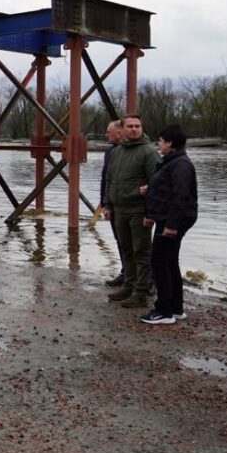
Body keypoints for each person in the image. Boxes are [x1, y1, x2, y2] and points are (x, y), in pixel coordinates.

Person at [138, 125, 198, 325]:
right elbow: (166, 189)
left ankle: (164, 311)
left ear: (170, 143)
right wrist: (150, 192)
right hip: (165, 218)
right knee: (170, 262)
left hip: (173, 221)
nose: (159, 144)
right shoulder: (169, 162)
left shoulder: (180, 164)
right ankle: (175, 307)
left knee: (159, 262)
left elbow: (181, 196)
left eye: (161, 141)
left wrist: (171, 225)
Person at [103, 114, 158, 309]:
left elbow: (156, 183)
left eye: (138, 126)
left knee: (141, 251)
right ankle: (129, 285)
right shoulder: (117, 152)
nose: (134, 129)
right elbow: (110, 180)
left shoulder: (149, 152)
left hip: (138, 209)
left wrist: (150, 213)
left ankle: (141, 292)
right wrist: (107, 205)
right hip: (119, 208)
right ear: (123, 130)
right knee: (126, 249)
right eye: (131, 126)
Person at [101, 120, 126, 287]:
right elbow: (106, 179)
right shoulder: (110, 152)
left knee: (137, 244)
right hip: (113, 203)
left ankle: (147, 278)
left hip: (129, 204)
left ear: (118, 133)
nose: (106, 135)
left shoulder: (132, 152)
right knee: (120, 239)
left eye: (109, 132)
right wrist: (104, 203)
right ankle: (126, 272)